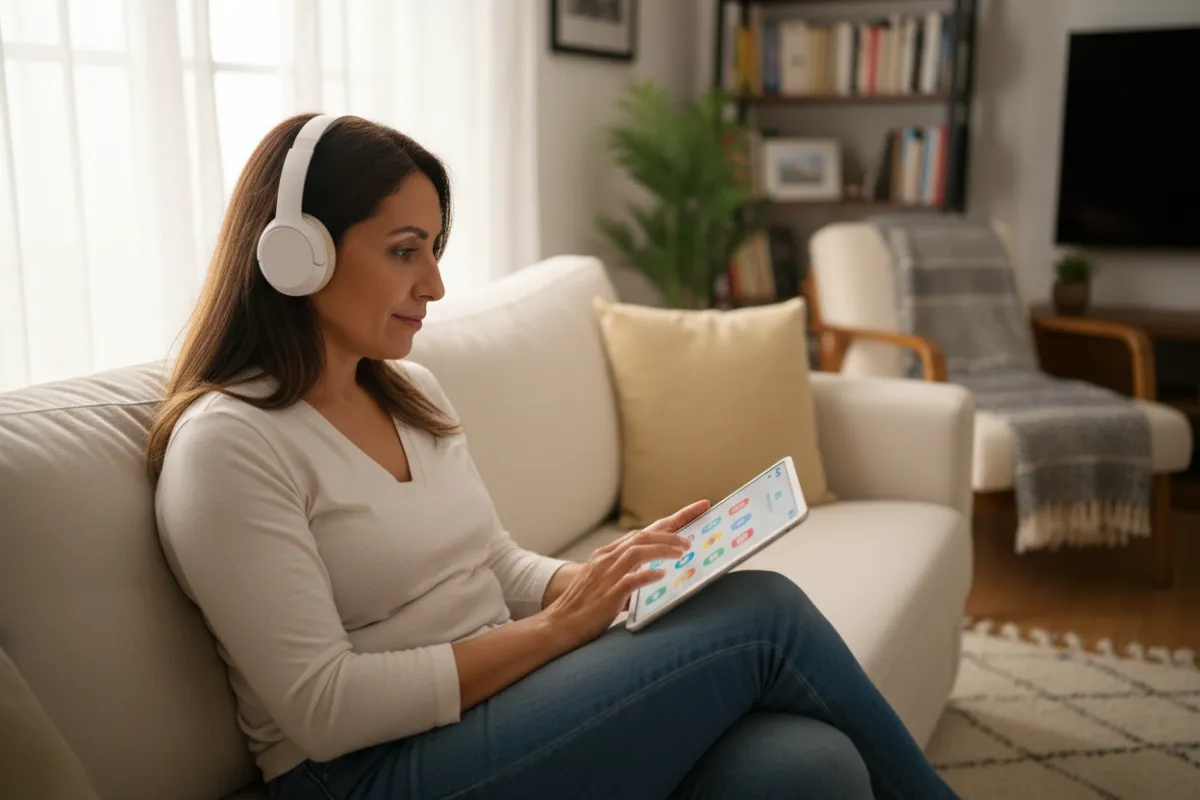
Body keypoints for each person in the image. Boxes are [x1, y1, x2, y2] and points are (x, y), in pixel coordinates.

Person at [149, 113, 959, 800]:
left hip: (503, 705)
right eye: (405, 250)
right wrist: (561, 633)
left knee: (811, 770)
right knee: (764, 614)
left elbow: (493, 563)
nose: (434, 282)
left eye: (434, 248)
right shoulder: (230, 444)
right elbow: (324, 708)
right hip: (366, 771)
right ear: (299, 253)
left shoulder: (409, 390)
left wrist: (603, 580)